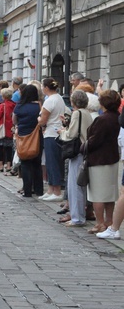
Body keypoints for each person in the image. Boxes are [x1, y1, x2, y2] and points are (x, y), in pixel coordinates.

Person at [84, 90, 121, 234]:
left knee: (97, 194)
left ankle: (100, 223)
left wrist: (84, 146)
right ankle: (109, 220)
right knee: (109, 194)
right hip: (112, 158)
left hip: (99, 159)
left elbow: (94, 140)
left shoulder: (102, 119)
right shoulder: (117, 117)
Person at [57, 90, 93, 227]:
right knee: (80, 185)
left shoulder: (77, 113)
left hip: (76, 151)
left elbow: (72, 134)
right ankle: (78, 215)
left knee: (75, 185)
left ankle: (77, 217)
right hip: (84, 150)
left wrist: (62, 132)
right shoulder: (87, 113)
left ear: (73, 101)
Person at [38, 78, 66, 202]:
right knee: (52, 161)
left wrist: (39, 121)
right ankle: (50, 189)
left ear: (46, 88)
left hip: (51, 132)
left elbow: (43, 119)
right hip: (57, 131)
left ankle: (57, 190)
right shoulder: (59, 98)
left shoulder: (49, 101)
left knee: (52, 162)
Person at [12, 85, 43, 198]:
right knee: (36, 163)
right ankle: (39, 189)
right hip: (36, 135)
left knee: (25, 163)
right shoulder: (38, 105)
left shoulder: (19, 106)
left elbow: (14, 120)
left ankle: (27, 190)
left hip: (23, 135)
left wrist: (18, 126)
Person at [0, 87, 16, 172]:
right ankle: (8, 165)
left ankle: (0, 165)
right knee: (9, 148)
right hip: (10, 129)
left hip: (2, 128)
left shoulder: (2, 105)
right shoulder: (14, 104)